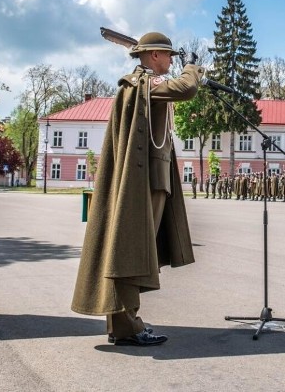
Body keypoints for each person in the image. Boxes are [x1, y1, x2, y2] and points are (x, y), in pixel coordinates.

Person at [71, 32, 204, 347]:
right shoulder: (142, 84)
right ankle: (128, 326)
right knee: (131, 251)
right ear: (155, 55)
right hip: (145, 182)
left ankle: (123, 324)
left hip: (149, 179)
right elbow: (186, 89)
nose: (171, 62)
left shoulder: (143, 86)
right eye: (169, 56)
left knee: (133, 251)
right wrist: (192, 68)